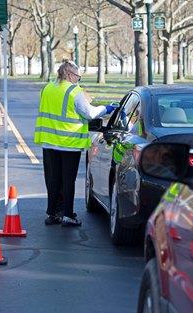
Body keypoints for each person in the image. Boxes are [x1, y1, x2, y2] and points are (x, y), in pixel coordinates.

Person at [34, 59, 115, 227]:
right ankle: (68, 215)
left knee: (53, 179)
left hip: (49, 142)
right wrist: (107, 108)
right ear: (70, 75)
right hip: (69, 142)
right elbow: (89, 113)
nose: (79, 80)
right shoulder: (74, 91)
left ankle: (52, 213)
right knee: (68, 180)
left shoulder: (47, 88)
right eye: (78, 77)